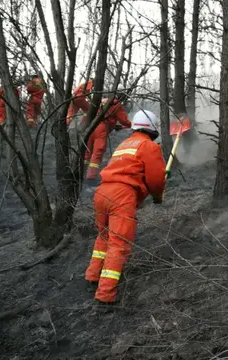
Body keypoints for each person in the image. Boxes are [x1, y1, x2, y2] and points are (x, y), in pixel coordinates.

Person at [84, 110, 169, 303]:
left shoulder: (125, 144)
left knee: (104, 236)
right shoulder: (149, 146)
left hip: (102, 192)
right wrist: (157, 196)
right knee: (118, 244)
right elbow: (156, 180)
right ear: (152, 128)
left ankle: (92, 275)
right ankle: (105, 296)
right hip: (121, 195)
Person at [84, 95, 132, 182]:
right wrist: (134, 124)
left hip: (90, 126)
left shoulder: (102, 100)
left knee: (87, 152)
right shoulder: (116, 104)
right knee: (97, 152)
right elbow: (124, 121)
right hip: (101, 129)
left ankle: (81, 173)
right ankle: (91, 177)